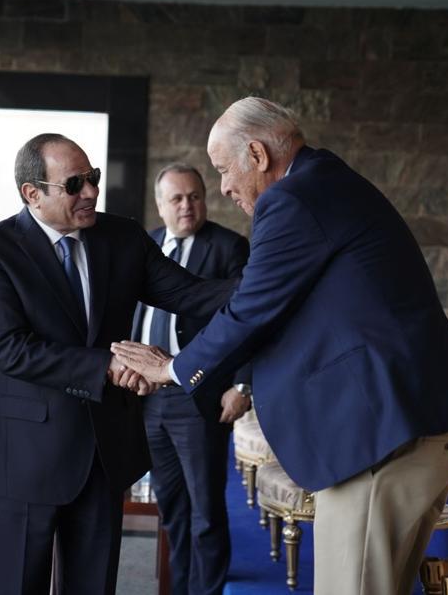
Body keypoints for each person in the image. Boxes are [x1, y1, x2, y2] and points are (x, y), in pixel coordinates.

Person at [111, 97, 448, 595]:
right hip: (406, 422)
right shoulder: (323, 181)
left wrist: (173, 369)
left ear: (257, 154)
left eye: (224, 170)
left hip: (384, 432)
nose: (223, 187)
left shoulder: (292, 199)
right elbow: (265, 300)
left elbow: (252, 309)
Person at [0, 134, 235, 594]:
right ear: (33, 194)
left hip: (104, 450)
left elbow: (192, 295)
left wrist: (273, 281)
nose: (90, 191)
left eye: (93, 178)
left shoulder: (122, 236)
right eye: (74, 184)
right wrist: (107, 367)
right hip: (26, 455)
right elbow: (11, 349)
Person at [131, 163, 251, 595]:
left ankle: (208, 590)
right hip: (148, 397)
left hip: (198, 394)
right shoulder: (145, 245)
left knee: (205, 509)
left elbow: (251, 318)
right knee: (171, 508)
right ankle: (178, 587)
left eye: (195, 196)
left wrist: (242, 384)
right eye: (177, 198)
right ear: (160, 204)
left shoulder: (229, 247)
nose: (187, 205)